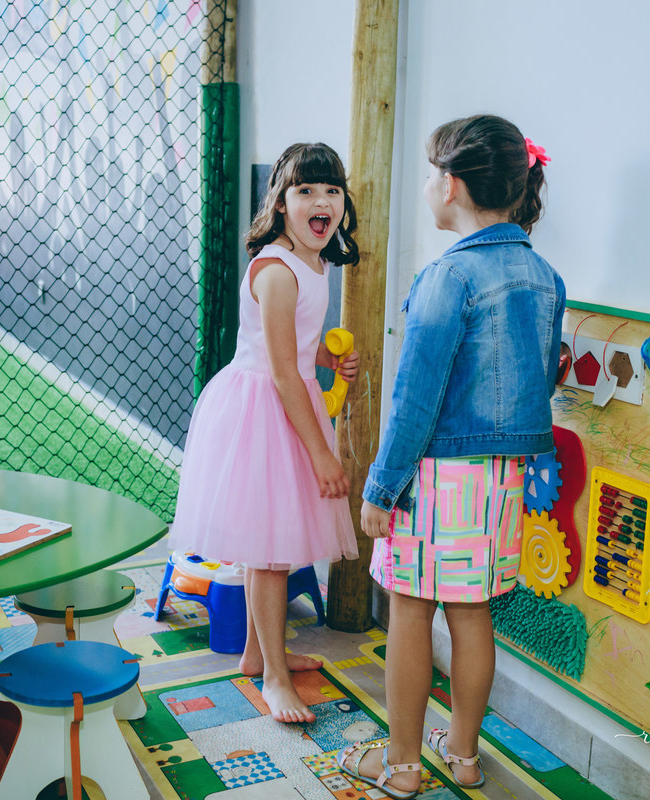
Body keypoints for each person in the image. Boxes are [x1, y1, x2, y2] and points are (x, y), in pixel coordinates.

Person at [337, 115, 565, 799]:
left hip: (437, 479)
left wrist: (382, 487)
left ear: (453, 184)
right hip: (501, 482)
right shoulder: (544, 274)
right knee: (472, 617)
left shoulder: (450, 276)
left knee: (410, 611)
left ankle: (402, 766)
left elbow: (414, 399)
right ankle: (462, 755)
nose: (430, 188)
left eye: (434, 174)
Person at [169, 142, 361, 724]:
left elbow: (293, 353)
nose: (320, 200)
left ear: (343, 204)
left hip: (287, 400)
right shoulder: (277, 271)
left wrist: (325, 365)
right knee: (268, 554)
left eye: (330, 190)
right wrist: (321, 455)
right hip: (264, 410)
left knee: (270, 546)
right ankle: (274, 678)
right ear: (280, 204)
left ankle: (258, 654)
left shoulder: (317, 261)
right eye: (305, 190)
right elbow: (278, 372)